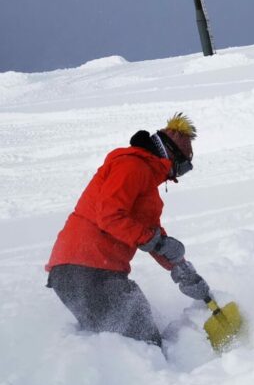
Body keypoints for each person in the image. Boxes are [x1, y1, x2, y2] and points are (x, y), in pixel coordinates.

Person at [44, 113, 210, 347]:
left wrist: (183, 270)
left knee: (145, 332)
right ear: (171, 154)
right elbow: (110, 216)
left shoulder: (147, 185)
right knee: (143, 346)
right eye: (182, 167)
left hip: (99, 272)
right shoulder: (131, 165)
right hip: (83, 269)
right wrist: (158, 242)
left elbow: (150, 234)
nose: (177, 176)